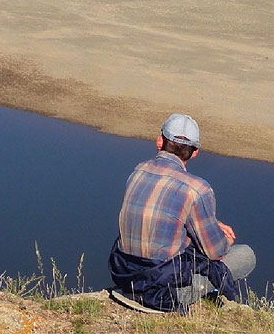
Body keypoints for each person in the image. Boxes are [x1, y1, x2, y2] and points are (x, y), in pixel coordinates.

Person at [109, 113, 255, 312]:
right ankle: (190, 293)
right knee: (246, 255)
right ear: (195, 152)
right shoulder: (197, 189)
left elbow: (163, 218)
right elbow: (215, 251)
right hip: (162, 287)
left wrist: (209, 222)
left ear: (159, 141)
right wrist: (223, 237)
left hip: (125, 275)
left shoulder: (138, 170)